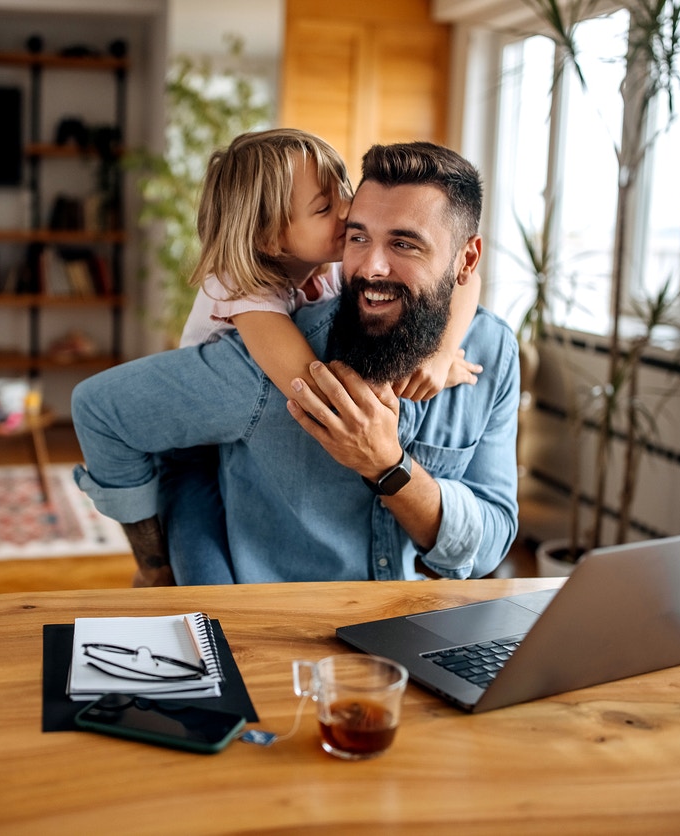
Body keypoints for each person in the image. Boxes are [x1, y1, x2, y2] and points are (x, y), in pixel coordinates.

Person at [73, 141, 519, 585]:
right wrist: (153, 565)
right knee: (201, 584)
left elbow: (489, 546)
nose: (369, 265)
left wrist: (439, 356)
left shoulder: (490, 351)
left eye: (404, 243)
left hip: (411, 628)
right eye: (358, 235)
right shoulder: (261, 327)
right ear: (271, 236)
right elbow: (101, 410)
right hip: (206, 496)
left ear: (466, 257)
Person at [164, 129, 481, 586]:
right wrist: (411, 374)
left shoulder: (329, 259)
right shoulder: (240, 286)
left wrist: (439, 352)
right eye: (324, 207)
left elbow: (467, 273)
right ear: (271, 238)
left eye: (343, 191)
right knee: (206, 592)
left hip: (244, 448)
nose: (348, 210)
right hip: (192, 455)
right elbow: (318, 389)